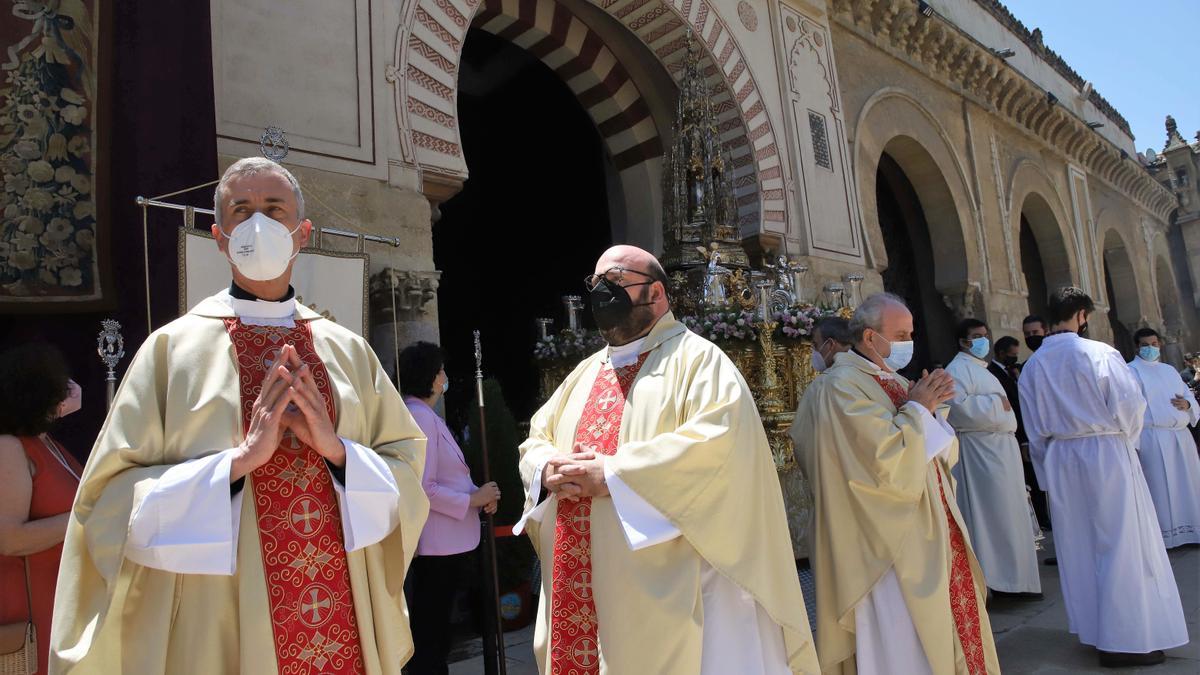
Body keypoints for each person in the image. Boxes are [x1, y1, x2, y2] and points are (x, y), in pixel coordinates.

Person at [50, 157, 429, 674]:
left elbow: (407, 473)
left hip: (337, 603)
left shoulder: (348, 351)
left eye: (274, 210)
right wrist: (237, 463)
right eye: (241, 210)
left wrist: (337, 452)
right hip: (221, 615)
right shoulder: (171, 351)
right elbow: (108, 503)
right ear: (220, 236)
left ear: (302, 232)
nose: (258, 224)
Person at [514, 245, 818, 674]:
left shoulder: (699, 361)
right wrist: (545, 467)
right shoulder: (584, 373)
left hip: (675, 582)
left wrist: (613, 474)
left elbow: (717, 446)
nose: (602, 292)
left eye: (616, 281)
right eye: (596, 283)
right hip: (579, 572)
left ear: (656, 293)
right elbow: (536, 438)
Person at [794, 292, 999, 675]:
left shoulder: (895, 381)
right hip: (882, 543)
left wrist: (933, 411)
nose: (909, 343)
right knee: (903, 639)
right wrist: (920, 409)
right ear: (870, 338)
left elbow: (937, 455)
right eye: (901, 334)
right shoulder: (840, 386)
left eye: (910, 333)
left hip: (928, 526)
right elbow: (878, 462)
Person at [1019, 287, 1187, 668]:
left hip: (1061, 456)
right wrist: (1122, 444)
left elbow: (1033, 427)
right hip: (1106, 451)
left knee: (1079, 546)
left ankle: (1096, 631)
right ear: (1082, 315)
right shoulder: (1100, 354)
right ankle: (1126, 640)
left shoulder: (1033, 366)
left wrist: (1048, 473)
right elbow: (1130, 407)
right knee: (1123, 545)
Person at [399, 341, 500, 675]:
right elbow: (423, 488)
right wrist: (472, 499)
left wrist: (480, 494)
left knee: (437, 633)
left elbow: (449, 478)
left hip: (451, 541)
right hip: (438, 546)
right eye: (441, 370)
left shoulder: (426, 416)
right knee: (432, 636)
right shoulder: (419, 417)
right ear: (431, 377)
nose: (445, 376)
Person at [0, 345, 84, 675]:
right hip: (28, 602)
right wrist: (87, 517)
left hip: (58, 597)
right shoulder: (8, 446)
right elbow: (9, 539)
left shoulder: (46, 441)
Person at [945, 319, 1041, 598]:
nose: (982, 341)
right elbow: (957, 409)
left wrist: (1001, 410)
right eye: (976, 337)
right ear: (963, 341)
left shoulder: (980, 370)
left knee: (1011, 512)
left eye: (985, 336)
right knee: (993, 515)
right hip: (981, 451)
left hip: (1001, 449)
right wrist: (997, 407)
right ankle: (998, 581)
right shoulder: (957, 369)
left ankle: (1017, 578)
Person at [1128, 328, 1200, 549]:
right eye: (1145, 344)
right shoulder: (1131, 371)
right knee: (1161, 486)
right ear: (1137, 347)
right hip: (1153, 437)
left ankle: (1193, 531)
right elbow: (1131, 407)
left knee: (1190, 484)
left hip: (1181, 435)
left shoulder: (1169, 370)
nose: (1151, 347)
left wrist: (1188, 405)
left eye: (1154, 342)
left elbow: (1187, 395)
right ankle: (1166, 537)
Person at [989, 337, 1049, 530]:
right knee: (1026, 479)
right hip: (1014, 436)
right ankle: (1037, 519)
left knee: (1035, 478)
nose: (1014, 359)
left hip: (1026, 434)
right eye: (1011, 355)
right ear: (1000, 353)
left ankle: (1042, 518)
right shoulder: (993, 374)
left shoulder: (1013, 372)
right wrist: (1023, 440)